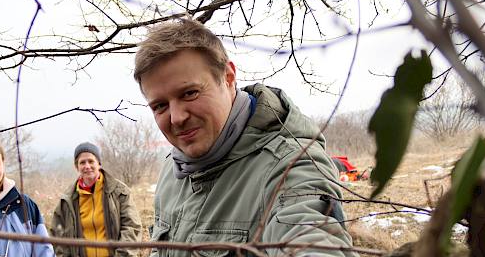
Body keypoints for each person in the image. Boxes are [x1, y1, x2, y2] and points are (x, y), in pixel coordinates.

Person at [134, 18, 355, 257]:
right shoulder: (172, 168)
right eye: (160, 106)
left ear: (228, 77)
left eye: (189, 93)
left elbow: (309, 236)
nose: (176, 118)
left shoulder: (289, 166)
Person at [50, 142, 142, 257]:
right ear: (76, 166)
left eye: (91, 161)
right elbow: (58, 237)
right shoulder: (67, 200)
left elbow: (131, 227)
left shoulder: (119, 192)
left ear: (99, 163)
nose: (87, 166)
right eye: (82, 162)